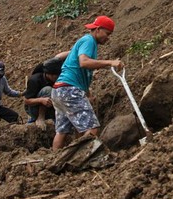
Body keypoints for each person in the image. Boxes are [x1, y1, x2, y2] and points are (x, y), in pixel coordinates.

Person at [51, 16, 124, 150]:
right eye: (107, 34)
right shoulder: (89, 41)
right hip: (69, 90)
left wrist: (87, 93)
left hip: (59, 90)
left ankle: (54, 160)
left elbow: (81, 72)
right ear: (98, 29)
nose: (108, 38)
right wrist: (109, 62)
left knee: (62, 131)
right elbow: (84, 63)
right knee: (92, 128)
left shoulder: (86, 42)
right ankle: (81, 158)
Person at [24, 52, 69, 130]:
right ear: (49, 74)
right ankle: (40, 118)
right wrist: (41, 100)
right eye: (57, 76)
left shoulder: (55, 75)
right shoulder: (35, 80)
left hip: (50, 107)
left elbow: (58, 57)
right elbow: (26, 100)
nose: (58, 78)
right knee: (48, 90)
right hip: (34, 109)